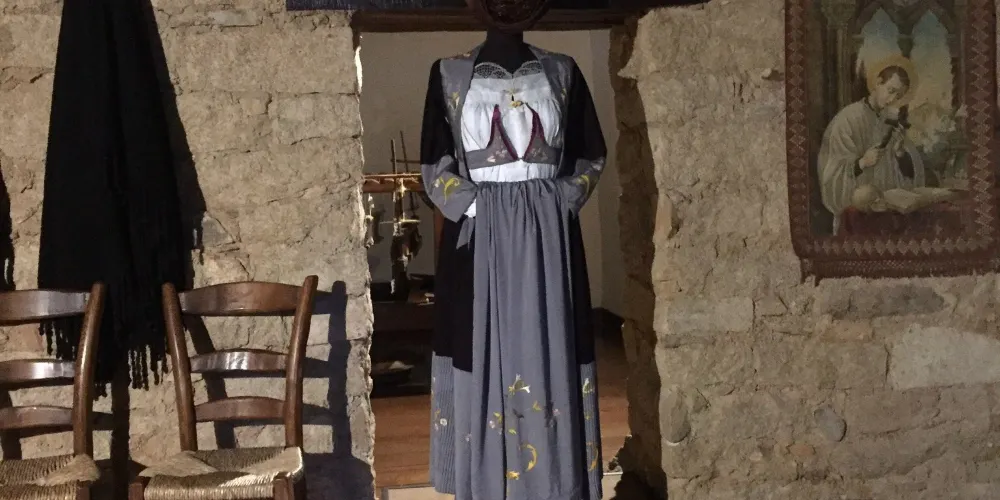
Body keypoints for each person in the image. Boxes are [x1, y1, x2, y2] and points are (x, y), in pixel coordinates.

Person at [419, 0, 606, 498]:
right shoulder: (449, 74)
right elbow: (434, 162)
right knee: (479, 348)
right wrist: (476, 206)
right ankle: (485, 480)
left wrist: (557, 201)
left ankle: (556, 481)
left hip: (549, 241)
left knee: (552, 340)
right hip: (480, 240)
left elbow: (589, 154)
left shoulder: (563, 72)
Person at [817, 55, 926, 234]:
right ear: (877, 82)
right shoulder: (848, 119)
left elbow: (912, 176)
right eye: (891, 90)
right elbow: (832, 172)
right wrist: (862, 163)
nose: (892, 99)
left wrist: (899, 153)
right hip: (856, 216)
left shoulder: (890, 122)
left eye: (898, 96)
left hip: (886, 214)